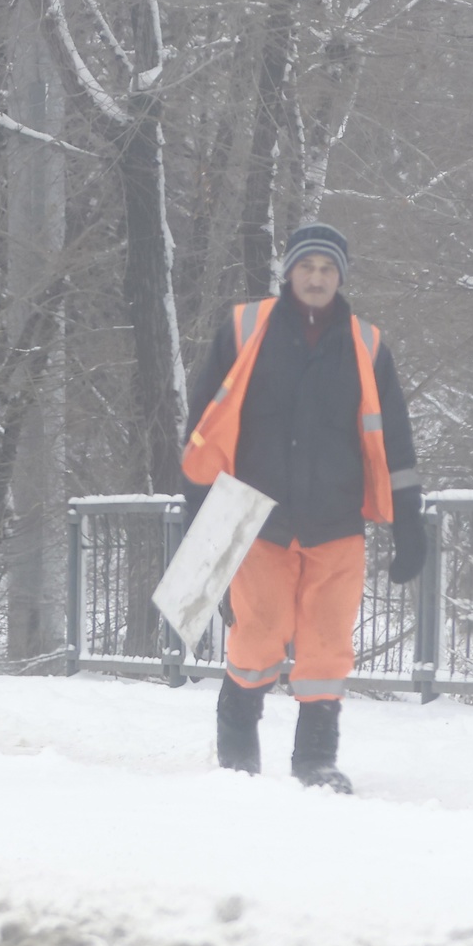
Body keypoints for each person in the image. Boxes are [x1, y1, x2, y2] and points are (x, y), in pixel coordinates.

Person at [179, 222, 424, 792]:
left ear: (341, 278)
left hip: (337, 520)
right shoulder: (243, 330)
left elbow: (396, 441)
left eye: (329, 270)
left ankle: (315, 756)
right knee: (259, 635)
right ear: (288, 272)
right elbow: (204, 429)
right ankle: (237, 737)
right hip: (255, 514)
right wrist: (199, 513)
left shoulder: (366, 345)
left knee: (327, 643)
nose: (317, 279)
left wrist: (409, 520)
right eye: (308, 267)